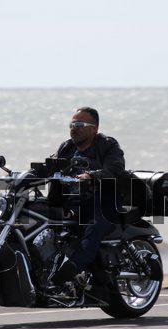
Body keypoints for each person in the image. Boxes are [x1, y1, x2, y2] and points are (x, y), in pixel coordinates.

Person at [49, 107, 126, 286]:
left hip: (104, 201)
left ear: (94, 129)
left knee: (94, 227)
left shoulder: (107, 145)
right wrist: (22, 176)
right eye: (72, 124)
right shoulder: (66, 147)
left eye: (80, 124)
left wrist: (91, 175)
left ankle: (73, 267)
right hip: (74, 202)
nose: (74, 128)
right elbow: (50, 166)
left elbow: (115, 168)